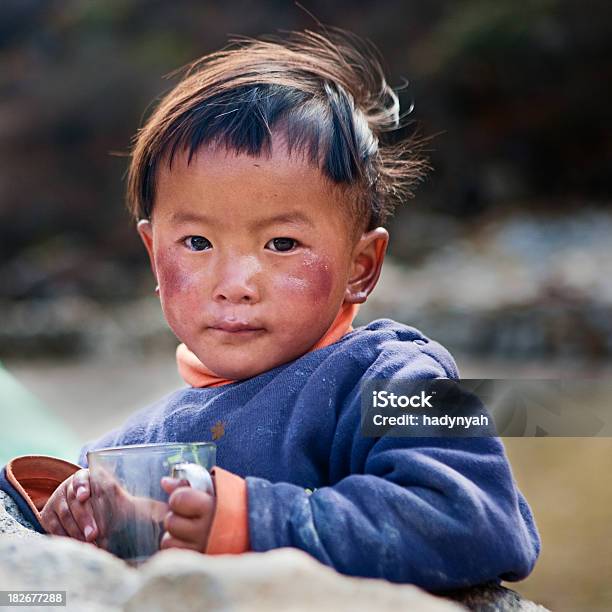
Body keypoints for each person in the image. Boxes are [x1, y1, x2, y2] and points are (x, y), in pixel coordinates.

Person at [0, 28, 540, 590]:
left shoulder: (395, 375)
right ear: (152, 255)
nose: (235, 285)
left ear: (362, 266)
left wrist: (242, 521)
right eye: (197, 244)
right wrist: (65, 506)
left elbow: (478, 519)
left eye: (281, 244)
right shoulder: (134, 444)